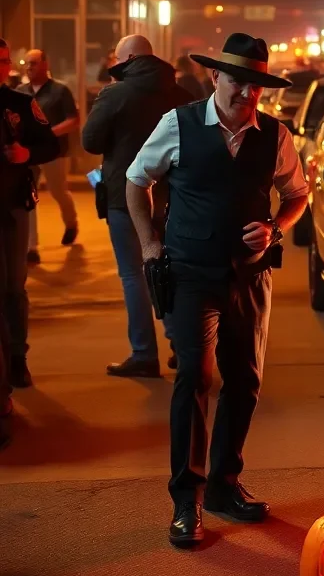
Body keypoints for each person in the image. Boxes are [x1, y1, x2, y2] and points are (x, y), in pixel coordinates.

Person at [126, 33, 308, 547]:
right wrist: (149, 245)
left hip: (249, 276)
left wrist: (275, 226)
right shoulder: (178, 124)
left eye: (255, 85)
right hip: (189, 271)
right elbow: (136, 181)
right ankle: (188, 499)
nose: (246, 93)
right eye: (237, 81)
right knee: (194, 377)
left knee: (245, 381)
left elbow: (297, 193)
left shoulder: (275, 135)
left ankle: (226, 485)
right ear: (216, 77)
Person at [82, 35, 191, 379]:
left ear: (127, 58)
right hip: (175, 198)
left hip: (124, 198)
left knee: (134, 275)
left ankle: (144, 354)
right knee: (170, 270)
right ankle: (182, 346)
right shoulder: (181, 94)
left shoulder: (116, 93)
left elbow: (90, 141)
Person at [0, 38, 60, 409]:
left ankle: (17, 360)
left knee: (12, 289)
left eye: (4, 61)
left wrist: (26, 154)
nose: (2, 67)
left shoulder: (19, 104)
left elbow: (52, 146)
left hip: (11, 210)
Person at [18, 49, 80, 260]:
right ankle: (31, 247)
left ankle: (71, 222)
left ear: (45, 64)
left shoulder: (60, 91)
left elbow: (74, 120)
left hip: (54, 152)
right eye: (27, 63)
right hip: (29, 153)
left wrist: (48, 133)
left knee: (58, 192)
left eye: (33, 63)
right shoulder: (20, 92)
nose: (29, 67)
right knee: (29, 195)